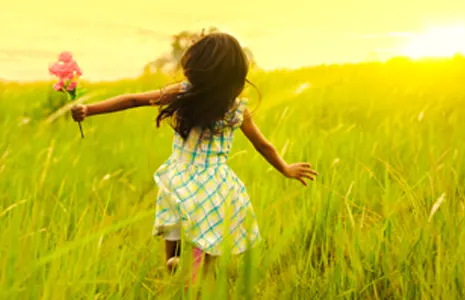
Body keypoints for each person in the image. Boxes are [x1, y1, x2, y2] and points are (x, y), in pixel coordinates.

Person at [71, 32, 318, 285]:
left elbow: (132, 100)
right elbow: (263, 146)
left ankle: (175, 268)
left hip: (179, 178)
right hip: (215, 184)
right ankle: (196, 276)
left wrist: (89, 109)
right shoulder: (236, 109)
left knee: (173, 231)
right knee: (210, 243)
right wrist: (286, 168)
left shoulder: (182, 93)